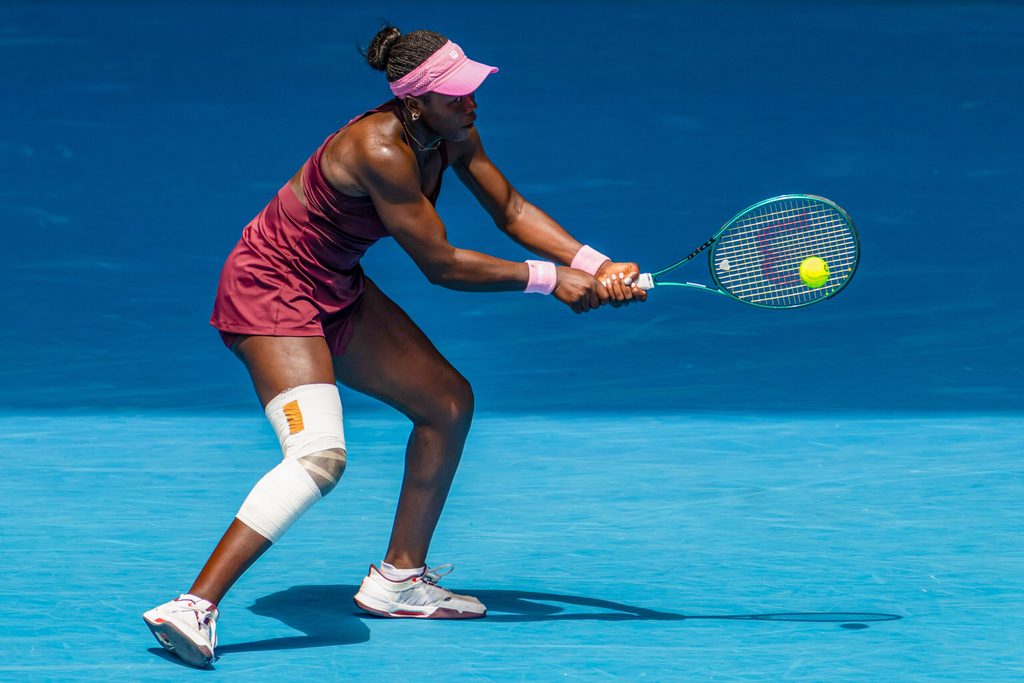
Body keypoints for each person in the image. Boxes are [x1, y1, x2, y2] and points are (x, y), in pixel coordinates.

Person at [143, 25, 646, 668]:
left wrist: (600, 264)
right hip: (270, 289)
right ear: (416, 103)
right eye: (455, 96)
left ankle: (399, 580)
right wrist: (550, 280)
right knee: (319, 456)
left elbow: (512, 209)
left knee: (446, 402)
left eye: (470, 90)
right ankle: (194, 605)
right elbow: (440, 264)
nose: (470, 103)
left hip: (334, 284)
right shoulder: (379, 149)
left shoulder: (452, 130)